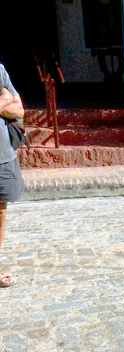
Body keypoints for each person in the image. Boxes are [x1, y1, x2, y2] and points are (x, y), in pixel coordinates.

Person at [0, 64, 25, 288]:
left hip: (3, 156)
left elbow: (19, 110)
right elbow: (9, 102)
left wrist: (8, 102)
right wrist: (3, 101)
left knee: (0, 211)